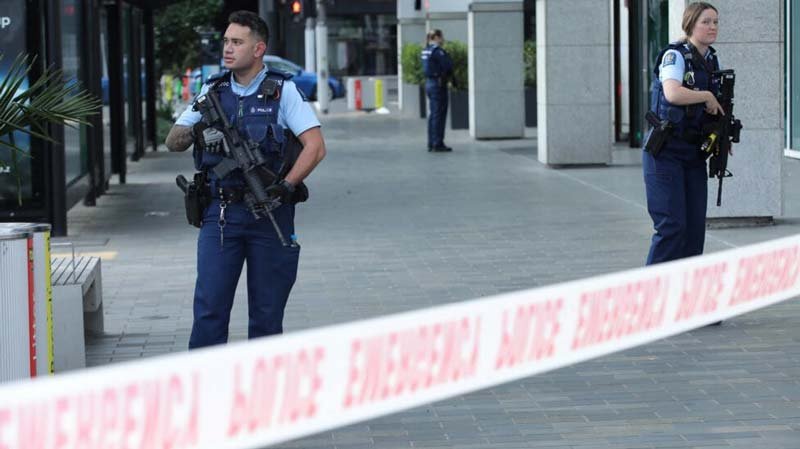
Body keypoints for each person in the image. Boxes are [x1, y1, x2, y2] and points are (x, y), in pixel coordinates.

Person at [165, 10, 326, 349]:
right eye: (226, 41)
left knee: (267, 316)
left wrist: (286, 186)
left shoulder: (283, 91)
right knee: (209, 310)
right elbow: (172, 141)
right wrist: (199, 130)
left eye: (237, 42)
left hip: (270, 211)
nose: (227, 48)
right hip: (221, 215)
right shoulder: (212, 91)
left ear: (258, 49)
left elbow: (315, 147)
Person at [643, 2, 725, 266]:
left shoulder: (711, 59)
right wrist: (706, 96)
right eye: (706, 22)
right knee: (671, 228)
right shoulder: (675, 56)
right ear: (690, 24)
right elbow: (672, 93)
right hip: (665, 153)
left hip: (693, 156)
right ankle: (651, 298)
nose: (712, 27)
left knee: (693, 233)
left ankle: (687, 299)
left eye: (715, 22)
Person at [421, 29, 454, 152]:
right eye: (442, 37)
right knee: (439, 114)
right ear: (437, 37)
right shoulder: (437, 51)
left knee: (433, 114)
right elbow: (448, 65)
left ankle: (431, 142)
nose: (443, 39)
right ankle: (437, 143)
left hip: (430, 83)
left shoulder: (425, 50)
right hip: (438, 84)